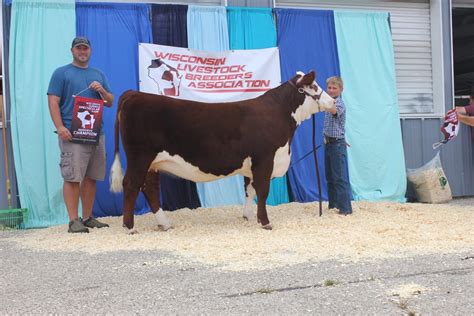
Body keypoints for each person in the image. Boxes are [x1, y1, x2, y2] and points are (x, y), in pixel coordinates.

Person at [47, 36, 114, 233]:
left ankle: (87, 217)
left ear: (90, 51)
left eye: (85, 49)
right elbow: (53, 101)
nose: (82, 52)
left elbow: (110, 101)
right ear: (72, 51)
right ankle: (73, 220)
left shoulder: (98, 74)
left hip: (95, 134)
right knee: (72, 177)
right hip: (72, 134)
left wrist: (101, 90)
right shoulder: (61, 73)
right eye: (79, 49)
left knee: (91, 177)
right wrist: (60, 127)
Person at [323, 76, 352, 215]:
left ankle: (345, 208)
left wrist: (323, 101)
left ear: (341, 90)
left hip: (336, 144)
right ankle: (333, 205)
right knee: (330, 177)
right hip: (328, 143)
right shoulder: (329, 102)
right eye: (329, 88)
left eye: (335, 88)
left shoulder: (338, 103)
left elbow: (334, 111)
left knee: (340, 177)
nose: (332, 90)